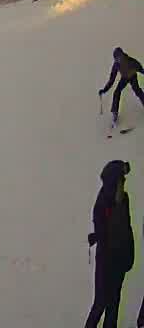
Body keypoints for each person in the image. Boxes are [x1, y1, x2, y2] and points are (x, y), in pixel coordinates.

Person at [87, 159, 134, 328]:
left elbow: (127, 231)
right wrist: (98, 236)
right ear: (115, 181)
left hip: (119, 262)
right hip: (106, 261)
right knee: (100, 302)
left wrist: (129, 256)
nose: (124, 183)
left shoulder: (124, 200)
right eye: (122, 179)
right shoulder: (102, 204)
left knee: (114, 304)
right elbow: (103, 232)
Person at [102, 48, 144, 128]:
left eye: (120, 57)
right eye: (117, 59)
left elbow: (140, 69)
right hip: (124, 78)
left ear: (123, 55)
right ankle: (115, 112)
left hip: (132, 77)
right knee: (116, 92)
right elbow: (112, 79)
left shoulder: (131, 61)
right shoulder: (116, 65)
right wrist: (105, 89)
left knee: (137, 91)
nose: (119, 60)